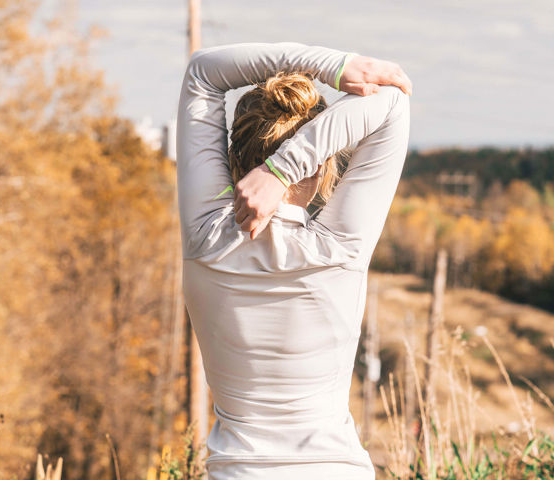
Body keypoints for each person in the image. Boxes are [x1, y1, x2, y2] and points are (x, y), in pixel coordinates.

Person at [176, 42, 412, 479]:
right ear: (324, 168)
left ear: (231, 161)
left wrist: (333, 67)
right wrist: (283, 170)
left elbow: (203, 73)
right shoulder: (339, 248)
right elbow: (392, 103)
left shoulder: (204, 238)